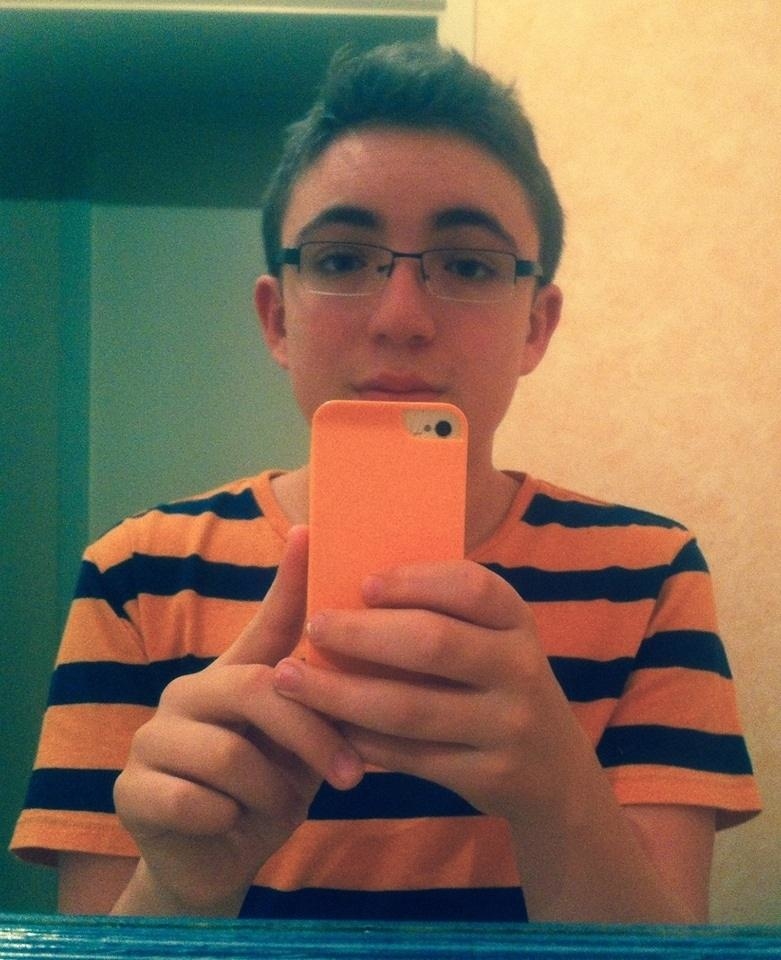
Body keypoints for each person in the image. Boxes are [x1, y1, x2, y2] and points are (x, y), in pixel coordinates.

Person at [11, 41, 760, 923]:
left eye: (468, 266)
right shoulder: (137, 575)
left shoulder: (649, 573)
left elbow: (669, 949)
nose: (400, 318)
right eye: (340, 260)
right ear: (276, 317)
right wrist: (180, 884)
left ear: (535, 325)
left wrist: (555, 792)